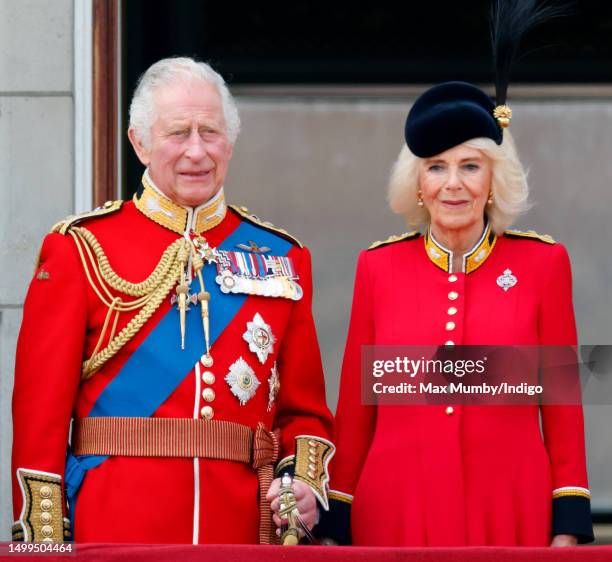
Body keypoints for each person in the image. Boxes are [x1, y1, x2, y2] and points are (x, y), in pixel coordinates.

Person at [11, 57, 334, 544]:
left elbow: (305, 412)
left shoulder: (283, 257)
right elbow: (39, 419)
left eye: (211, 132)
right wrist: (43, 542)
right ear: (138, 142)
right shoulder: (80, 248)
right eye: (178, 133)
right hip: (114, 530)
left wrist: (304, 485)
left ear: (232, 139)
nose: (197, 151)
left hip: (242, 534)